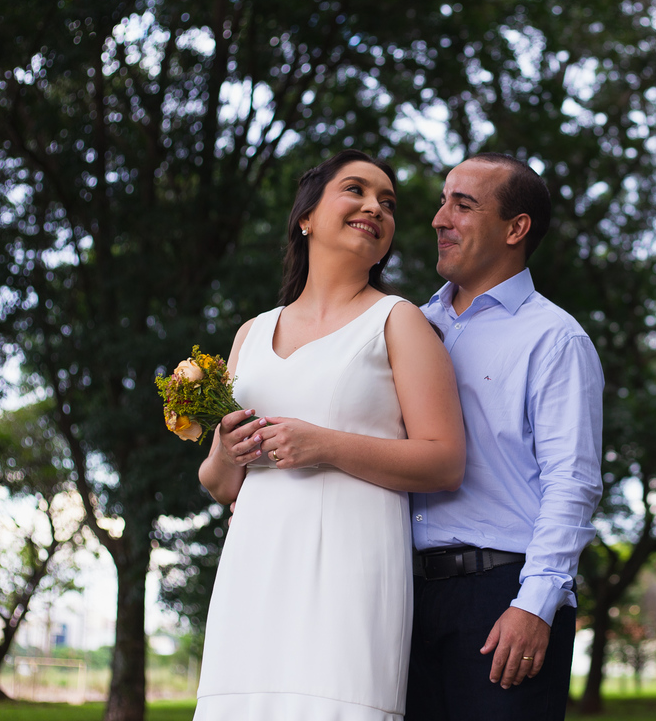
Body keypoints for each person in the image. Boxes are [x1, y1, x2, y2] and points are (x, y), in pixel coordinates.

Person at [193, 150, 465, 721]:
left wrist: (325, 445)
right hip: (254, 571)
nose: (375, 207)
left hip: (350, 573)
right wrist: (224, 450)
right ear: (306, 217)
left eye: (387, 203)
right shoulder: (253, 331)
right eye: (357, 190)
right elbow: (221, 486)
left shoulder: (398, 320)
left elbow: (445, 462)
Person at [407, 154, 604, 721]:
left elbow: (573, 482)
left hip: (501, 598)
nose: (441, 218)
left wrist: (534, 606)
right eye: (443, 202)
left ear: (516, 228)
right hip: (404, 599)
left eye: (463, 205)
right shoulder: (411, 327)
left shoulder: (555, 338)